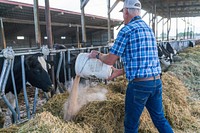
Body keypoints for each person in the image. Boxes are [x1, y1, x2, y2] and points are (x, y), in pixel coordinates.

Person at [88, 0, 174, 132]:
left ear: (126, 11)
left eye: (123, 12)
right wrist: (119, 72)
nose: (123, 15)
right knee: (160, 119)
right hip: (156, 82)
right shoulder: (148, 29)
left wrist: (98, 55)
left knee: (131, 125)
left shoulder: (126, 30)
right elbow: (142, 61)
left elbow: (110, 60)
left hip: (139, 86)